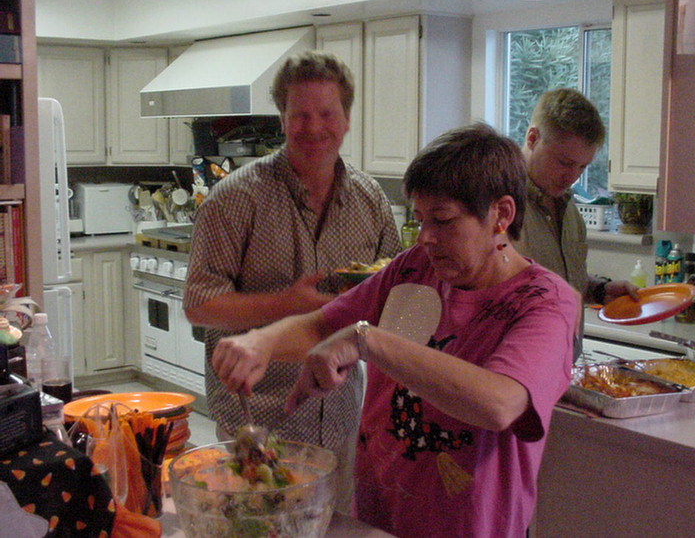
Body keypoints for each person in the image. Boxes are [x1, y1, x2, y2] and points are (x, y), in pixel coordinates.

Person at [212, 122, 579, 538]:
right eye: (419, 218)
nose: (425, 237)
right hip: (377, 517)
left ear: (501, 215)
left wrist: (367, 339)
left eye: (442, 220)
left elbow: (500, 403)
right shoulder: (414, 269)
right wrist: (260, 342)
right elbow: (323, 326)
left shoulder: (545, 302)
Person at [183, 50, 401, 505]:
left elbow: (394, 296)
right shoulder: (233, 199)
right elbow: (200, 304)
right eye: (299, 114)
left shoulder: (372, 201)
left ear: (347, 120)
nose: (314, 128)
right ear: (282, 120)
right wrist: (288, 302)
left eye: (327, 113)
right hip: (256, 419)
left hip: (341, 416)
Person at [516, 88, 638, 358]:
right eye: (564, 162)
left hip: (562, 368)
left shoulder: (569, 208)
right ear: (533, 138)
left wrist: (598, 290)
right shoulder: (500, 205)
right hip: (515, 372)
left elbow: (563, 278)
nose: (572, 176)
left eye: (582, 167)